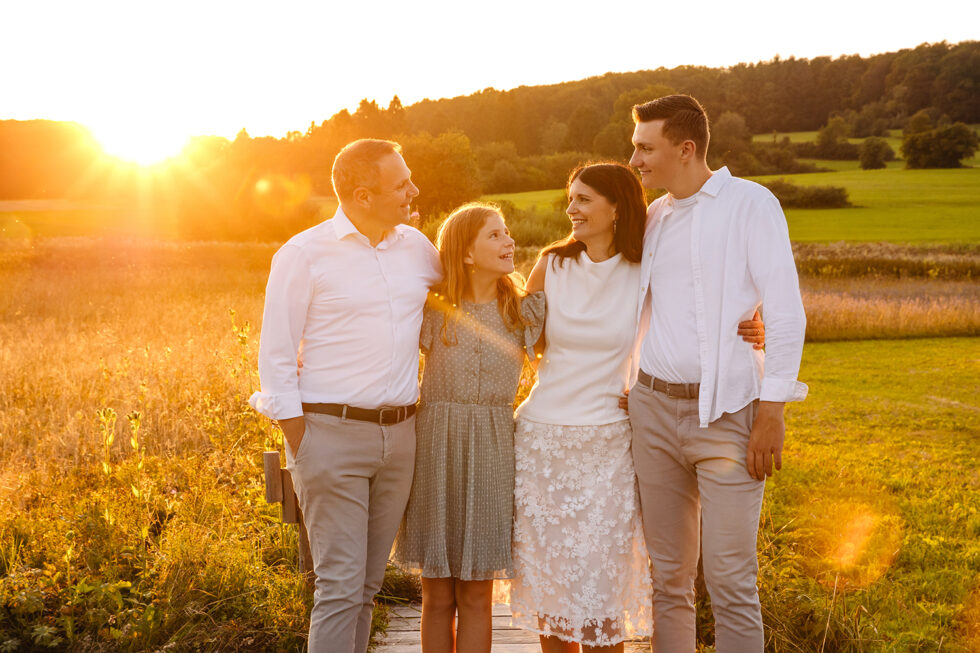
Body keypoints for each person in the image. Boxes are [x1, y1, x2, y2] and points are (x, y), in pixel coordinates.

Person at [626, 94, 808, 652]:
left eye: (644, 147)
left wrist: (771, 410)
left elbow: (784, 309)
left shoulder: (751, 204)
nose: (634, 160)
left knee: (730, 580)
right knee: (669, 580)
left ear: (685, 149)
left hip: (728, 413)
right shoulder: (653, 218)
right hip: (652, 412)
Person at [249, 139, 441, 653]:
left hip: (401, 437)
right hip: (329, 437)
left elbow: (466, 301)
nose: (413, 191)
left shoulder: (419, 250)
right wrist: (301, 439)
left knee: (366, 587)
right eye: (401, 184)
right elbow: (276, 355)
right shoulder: (303, 255)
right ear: (362, 194)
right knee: (338, 587)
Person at [395, 204, 545, 653]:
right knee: (437, 591)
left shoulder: (524, 311)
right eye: (495, 235)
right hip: (435, 448)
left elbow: (591, 337)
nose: (509, 242)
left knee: (477, 592)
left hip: (494, 449)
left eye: (507, 233)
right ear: (466, 252)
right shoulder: (432, 309)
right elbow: (374, 337)